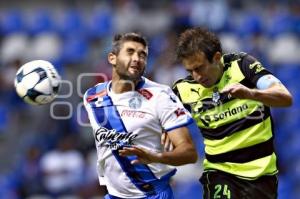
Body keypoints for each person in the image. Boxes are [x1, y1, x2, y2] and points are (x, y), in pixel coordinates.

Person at [171, 27, 293, 199]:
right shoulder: (183, 89)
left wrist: (251, 94)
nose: (196, 76)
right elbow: (166, 122)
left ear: (217, 58)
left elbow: (285, 98)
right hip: (219, 172)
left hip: (260, 174)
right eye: (190, 71)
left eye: (199, 68)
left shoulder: (243, 66)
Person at [83, 32, 198, 199]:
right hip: (114, 195)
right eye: (130, 52)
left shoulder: (160, 96)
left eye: (142, 54)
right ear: (112, 58)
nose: (137, 58)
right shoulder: (92, 97)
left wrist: (155, 157)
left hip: (152, 194)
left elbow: (189, 153)